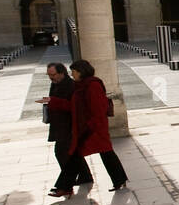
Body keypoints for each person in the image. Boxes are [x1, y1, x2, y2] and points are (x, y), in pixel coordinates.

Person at [48, 59, 128, 197]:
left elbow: (98, 108)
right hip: (87, 128)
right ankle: (119, 180)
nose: (72, 75)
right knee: (94, 155)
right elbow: (74, 107)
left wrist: (90, 127)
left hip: (93, 130)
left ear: (80, 72)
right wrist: (54, 102)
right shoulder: (81, 86)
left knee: (103, 154)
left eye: (73, 72)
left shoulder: (92, 85)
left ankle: (64, 187)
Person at [37, 62, 92, 189]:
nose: (51, 77)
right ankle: (85, 176)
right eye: (49, 75)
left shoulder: (70, 85)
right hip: (59, 123)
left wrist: (53, 102)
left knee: (62, 152)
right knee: (73, 153)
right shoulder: (55, 84)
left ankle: (68, 180)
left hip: (68, 124)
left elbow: (73, 106)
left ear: (62, 73)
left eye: (53, 74)